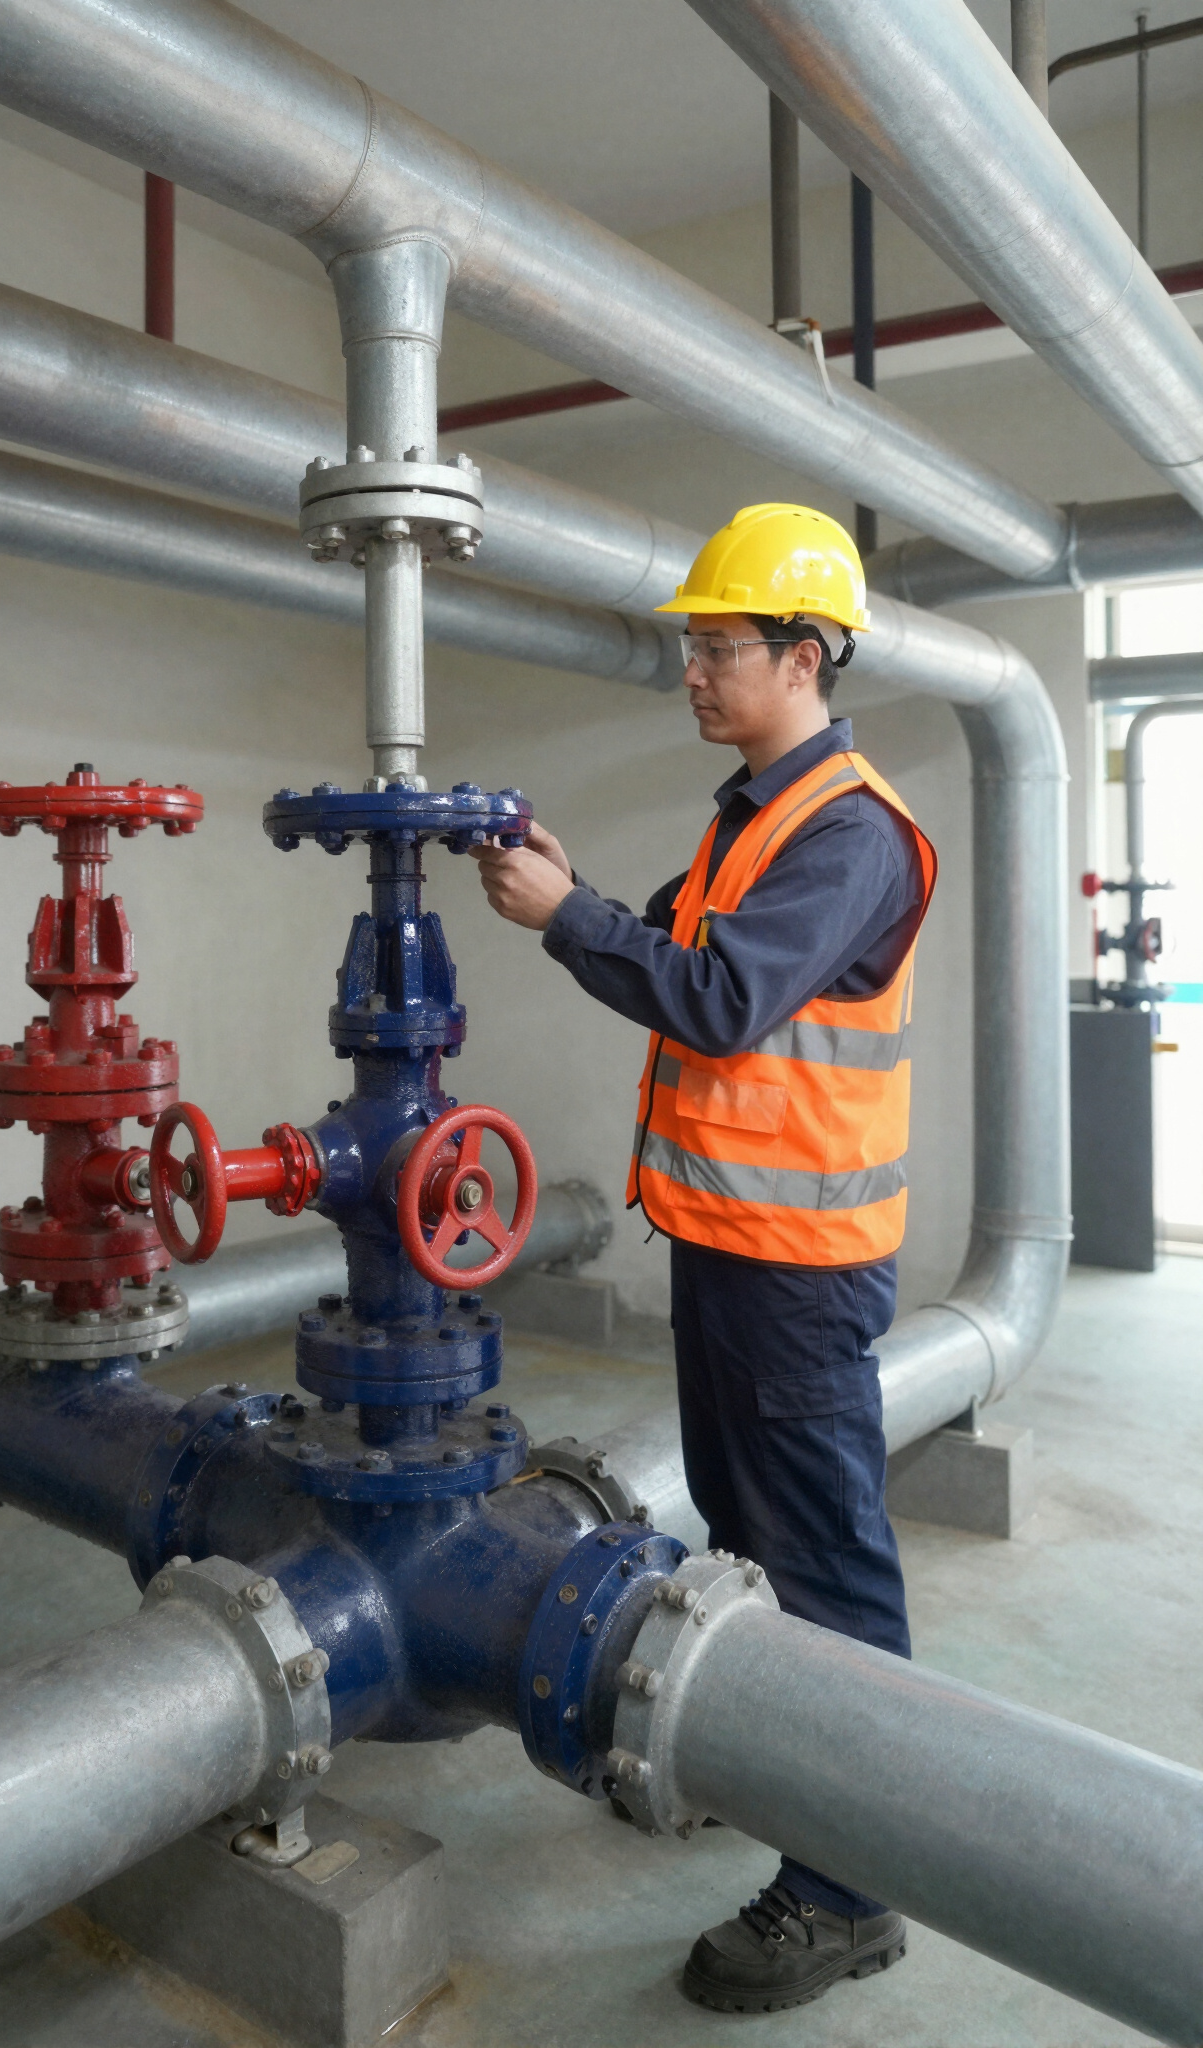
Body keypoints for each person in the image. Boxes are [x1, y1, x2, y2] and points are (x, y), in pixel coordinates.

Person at [471, 503, 935, 2014]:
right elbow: (674, 946)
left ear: (805, 657)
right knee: (748, 1533)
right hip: (732, 1248)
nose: (692, 668)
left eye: (720, 644)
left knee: (825, 1563)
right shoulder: (751, 812)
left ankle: (851, 1890)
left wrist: (565, 919)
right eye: (693, 644)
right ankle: (766, 1756)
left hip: (799, 1267)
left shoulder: (849, 831)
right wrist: (573, 889)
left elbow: (719, 1000)